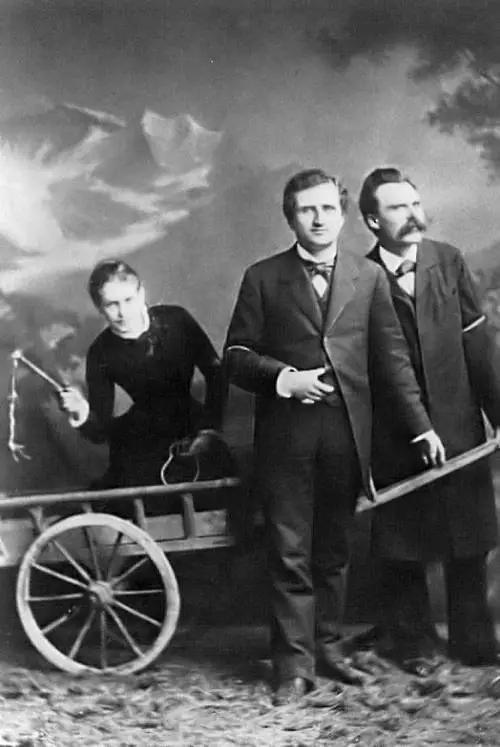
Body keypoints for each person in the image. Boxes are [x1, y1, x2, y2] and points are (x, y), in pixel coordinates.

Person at [224, 169, 445, 705]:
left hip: (347, 436)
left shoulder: (368, 278)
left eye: (328, 208)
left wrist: (421, 425)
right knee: (289, 550)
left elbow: (391, 360)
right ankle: (292, 665)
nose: (319, 219)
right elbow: (234, 357)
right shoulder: (262, 277)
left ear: (344, 215)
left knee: (334, 551)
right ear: (291, 218)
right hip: (285, 439)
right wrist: (284, 379)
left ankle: (327, 648)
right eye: (307, 209)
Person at [359, 167, 500, 671]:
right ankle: (413, 644)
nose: (413, 215)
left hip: (459, 423)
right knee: (404, 543)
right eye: (398, 207)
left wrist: (498, 411)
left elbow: (477, 343)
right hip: (395, 430)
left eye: (415, 203)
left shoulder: (448, 261)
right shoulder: (359, 278)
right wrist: (412, 426)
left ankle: (474, 641)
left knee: (468, 536)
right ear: (372, 221)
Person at [59, 259, 225, 488]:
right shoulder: (100, 352)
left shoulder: (177, 320)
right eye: (112, 305)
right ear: (99, 308)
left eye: (129, 300)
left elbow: (217, 374)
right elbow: (101, 431)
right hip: (141, 441)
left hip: (193, 428)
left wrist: (209, 429)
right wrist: (83, 414)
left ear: (141, 294)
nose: (123, 313)